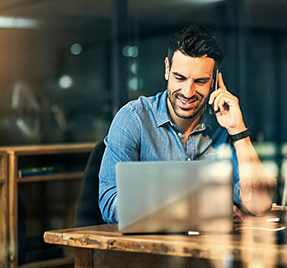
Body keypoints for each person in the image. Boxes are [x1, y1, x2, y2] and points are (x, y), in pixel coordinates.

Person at [98, 24, 276, 224]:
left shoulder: (225, 126)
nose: (188, 92)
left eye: (200, 81)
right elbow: (110, 204)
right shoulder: (134, 119)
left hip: (213, 250)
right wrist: (206, 207)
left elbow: (259, 205)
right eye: (180, 78)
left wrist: (238, 131)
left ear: (215, 81)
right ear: (167, 69)